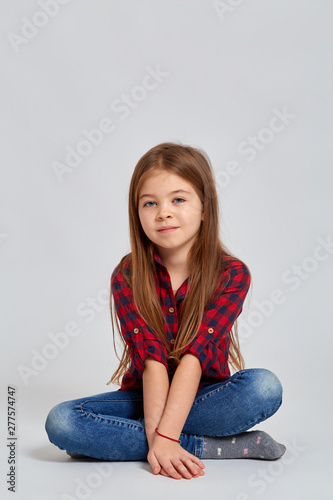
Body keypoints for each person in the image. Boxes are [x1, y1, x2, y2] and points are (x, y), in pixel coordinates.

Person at [45, 142, 286, 480]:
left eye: (178, 199)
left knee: (264, 387)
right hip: (144, 396)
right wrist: (165, 438)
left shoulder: (232, 274)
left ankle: (122, 441)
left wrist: (169, 435)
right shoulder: (127, 275)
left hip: (205, 395)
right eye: (150, 203)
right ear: (136, 212)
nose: (163, 212)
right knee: (63, 421)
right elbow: (152, 360)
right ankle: (216, 446)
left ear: (205, 208)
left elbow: (194, 357)